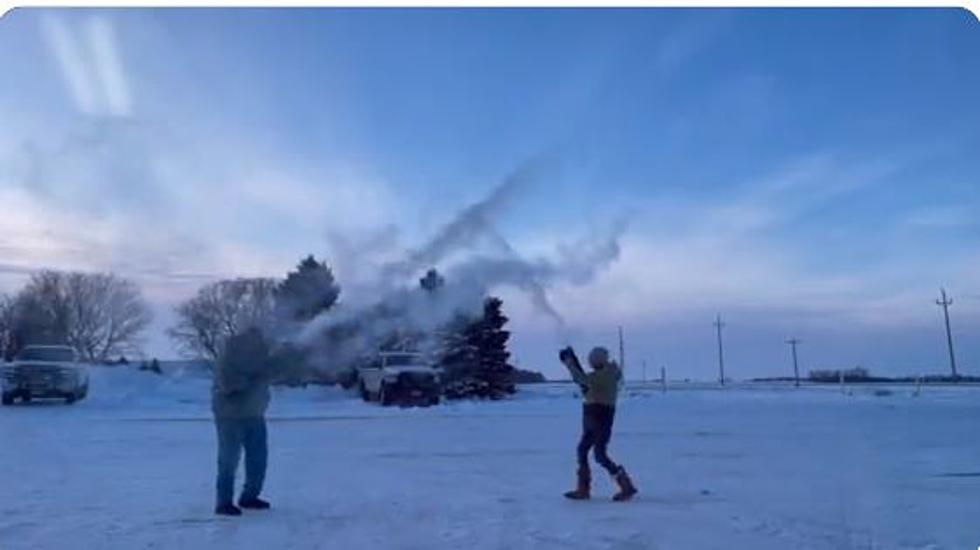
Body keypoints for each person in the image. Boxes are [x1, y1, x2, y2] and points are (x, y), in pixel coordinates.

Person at [559, 345, 638, 502]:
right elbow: (586, 383)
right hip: (595, 416)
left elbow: (582, 380)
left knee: (598, 454)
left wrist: (569, 363)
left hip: (598, 416)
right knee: (587, 451)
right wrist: (572, 362)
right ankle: (585, 489)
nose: (591, 364)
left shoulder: (604, 376)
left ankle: (623, 486)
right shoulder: (606, 373)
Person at [212, 326, 273, 516]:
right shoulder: (230, 355)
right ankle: (223, 503)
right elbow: (227, 383)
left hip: (255, 414)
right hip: (230, 416)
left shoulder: (261, 356)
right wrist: (253, 380)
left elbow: (273, 373)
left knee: (258, 460)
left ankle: (249, 497)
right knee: (228, 461)